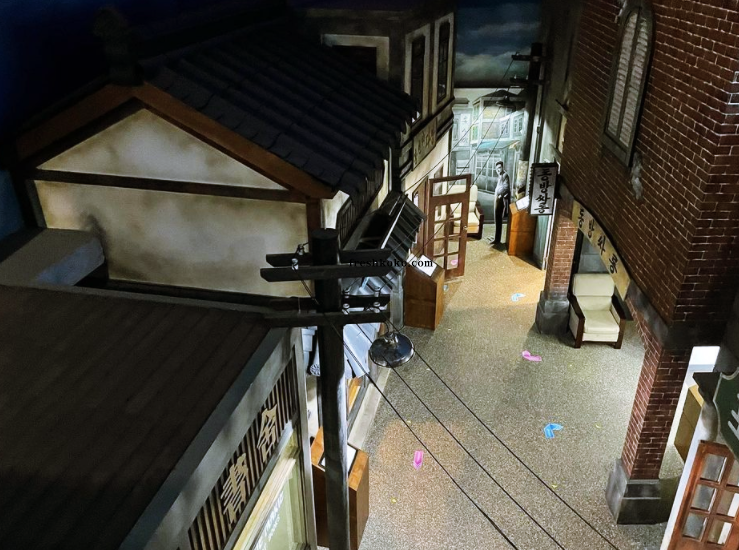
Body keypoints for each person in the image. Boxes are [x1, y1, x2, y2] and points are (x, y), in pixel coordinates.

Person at [492, 161, 510, 245]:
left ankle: (497, 240)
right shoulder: (500, 176)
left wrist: (500, 195)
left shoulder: (505, 175)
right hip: (497, 199)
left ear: (502, 167)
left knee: (498, 219)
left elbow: (506, 187)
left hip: (500, 200)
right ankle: (496, 238)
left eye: (499, 168)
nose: (498, 170)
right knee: (497, 219)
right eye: (497, 168)